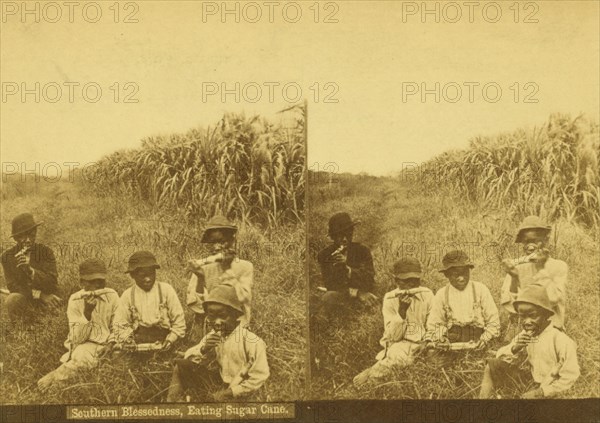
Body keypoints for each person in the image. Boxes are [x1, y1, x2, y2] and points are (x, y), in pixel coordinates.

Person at [167, 283, 269, 402]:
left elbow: (260, 377)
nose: (217, 322)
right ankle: (172, 403)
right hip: (218, 382)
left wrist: (231, 392)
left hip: (239, 386)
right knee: (181, 365)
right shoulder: (214, 335)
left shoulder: (252, 342)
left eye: (222, 316)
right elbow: (190, 355)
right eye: (211, 316)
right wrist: (204, 349)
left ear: (235, 315)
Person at [479, 282, 580, 399]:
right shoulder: (526, 335)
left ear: (546, 314)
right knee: (492, 365)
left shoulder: (559, 339)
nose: (527, 321)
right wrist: (515, 347)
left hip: (549, 385)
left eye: (533, 315)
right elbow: (500, 355)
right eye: (522, 316)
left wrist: (542, 392)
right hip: (530, 381)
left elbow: (571, 375)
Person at [37, 258, 119, 390]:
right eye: (92, 282)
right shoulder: (75, 300)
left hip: (109, 343)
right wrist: (87, 312)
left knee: (119, 359)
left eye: (101, 281)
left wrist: (111, 343)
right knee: (83, 357)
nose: (98, 286)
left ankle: (56, 374)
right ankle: (58, 380)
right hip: (85, 343)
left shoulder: (112, 296)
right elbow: (78, 338)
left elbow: (118, 325)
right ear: (82, 283)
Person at [353, 257, 433, 386]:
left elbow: (433, 324)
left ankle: (375, 367)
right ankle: (373, 373)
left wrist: (427, 341)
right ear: (397, 281)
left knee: (434, 357)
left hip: (423, 342)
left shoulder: (428, 295)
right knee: (398, 357)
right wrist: (402, 311)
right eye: (406, 281)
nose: (411, 285)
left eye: (415, 281)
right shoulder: (390, 298)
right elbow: (393, 337)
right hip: (400, 342)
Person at [424, 250, 500, 366]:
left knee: (493, 359)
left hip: (477, 339)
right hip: (452, 341)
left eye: (465, 273)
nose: (461, 278)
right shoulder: (442, 294)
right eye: (456, 274)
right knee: (432, 356)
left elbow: (493, 321)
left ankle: (475, 361)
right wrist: (441, 338)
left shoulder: (480, 289)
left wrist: (485, 338)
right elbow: (435, 324)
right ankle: (457, 363)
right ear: (447, 275)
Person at [186, 215, 253, 339]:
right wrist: (201, 277)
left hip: (237, 330)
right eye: (212, 242)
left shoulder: (245, 267)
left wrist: (227, 268)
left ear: (232, 241)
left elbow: (242, 299)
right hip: (211, 331)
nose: (217, 247)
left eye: (222, 241)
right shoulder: (203, 267)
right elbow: (197, 307)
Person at [500, 216, 567, 332]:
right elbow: (511, 306)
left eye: (536, 241)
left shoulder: (558, 266)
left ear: (546, 240)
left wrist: (541, 268)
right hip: (523, 329)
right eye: (526, 242)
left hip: (551, 328)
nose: (530, 246)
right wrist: (515, 278)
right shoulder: (516, 266)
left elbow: (553, 299)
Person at [112, 251, 186, 352]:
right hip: (138, 344)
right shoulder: (127, 295)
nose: (148, 279)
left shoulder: (166, 290)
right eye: (143, 275)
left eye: (151, 274)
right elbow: (119, 324)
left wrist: (171, 339)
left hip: (165, 341)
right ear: (132, 275)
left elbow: (179, 321)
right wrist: (128, 340)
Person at [1, 213, 60, 321]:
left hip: (48, 297)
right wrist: (39, 295)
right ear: (15, 238)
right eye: (23, 236)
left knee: (56, 314)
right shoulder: (7, 257)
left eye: (32, 234)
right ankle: (21, 329)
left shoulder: (46, 252)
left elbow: (52, 283)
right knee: (12, 299)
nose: (28, 240)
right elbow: (13, 287)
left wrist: (30, 270)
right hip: (28, 298)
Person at [316, 212, 377, 315]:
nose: (344, 239)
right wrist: (357, 293)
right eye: (340, 235)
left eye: (348, 234)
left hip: (365, 295)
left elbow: (369, 280)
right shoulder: (325, 255)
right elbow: (331, 285)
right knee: (328, 297)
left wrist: (347, 269)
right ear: (333, 237)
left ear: (352, 233)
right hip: (344, 296)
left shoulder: (362, 251)